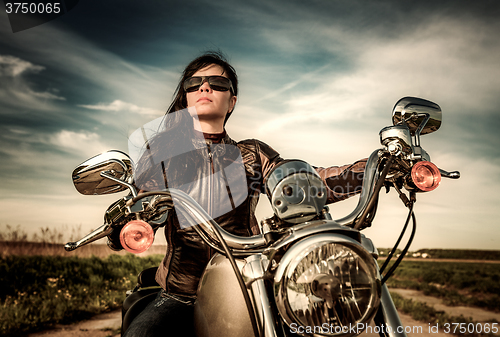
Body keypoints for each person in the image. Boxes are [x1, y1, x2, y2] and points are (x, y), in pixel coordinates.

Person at [122, 51, 366, 337]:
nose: (204, 87)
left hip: (247, 283)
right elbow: (142, 203)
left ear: (232, 100)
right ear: (185, 99)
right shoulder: (164, 155)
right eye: (194, 82)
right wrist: (131, 223)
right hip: (181, 293)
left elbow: (304, 182)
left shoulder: (251, 154)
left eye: (217, 82)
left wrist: (374, 168)